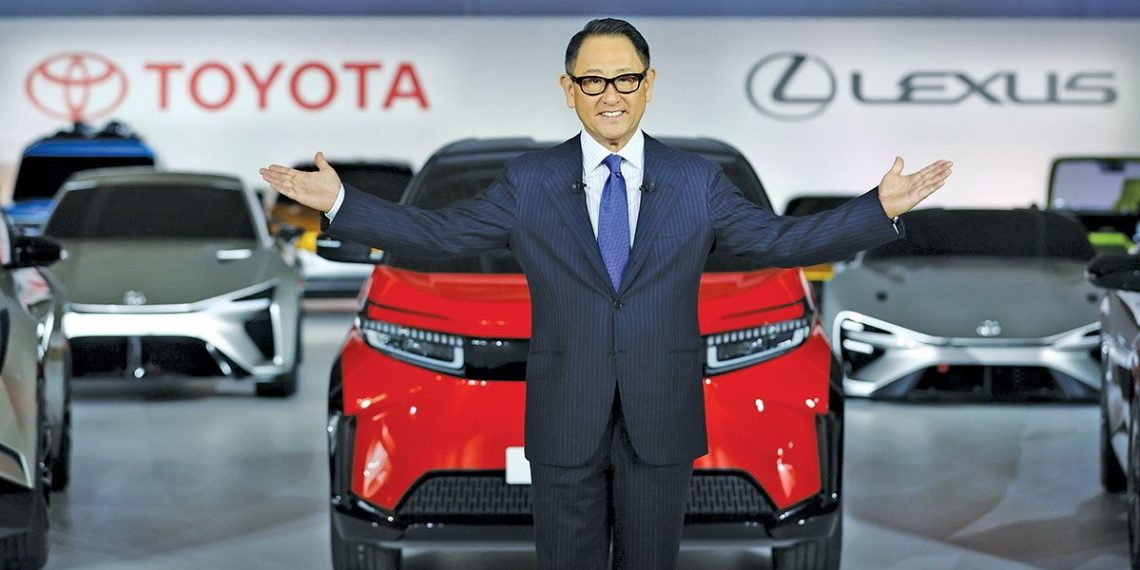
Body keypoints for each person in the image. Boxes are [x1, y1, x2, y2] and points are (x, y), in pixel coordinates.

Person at [261, 17, 951, 570]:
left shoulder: (695, 181)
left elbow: (778, 241)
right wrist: (344, 203)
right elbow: (440, 234)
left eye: (625, 79)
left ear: (649, 85)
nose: (610, 95)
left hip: (662, 413)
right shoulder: (530, 181)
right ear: (569, 89)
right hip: (565, 413)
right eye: (593, 81)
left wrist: (877, 209)